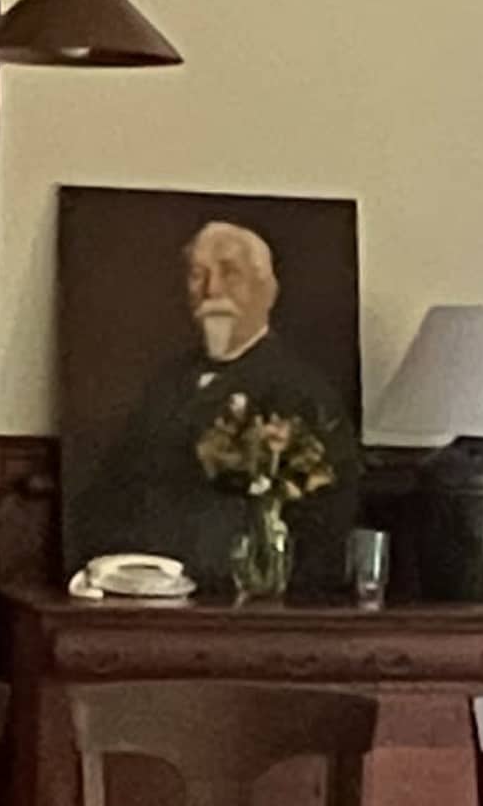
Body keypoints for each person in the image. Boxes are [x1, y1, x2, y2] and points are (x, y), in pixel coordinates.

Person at [65, 218, 362, 592]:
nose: (211, 290)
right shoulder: (165, 384)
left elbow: (325, 521)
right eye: (197, 275)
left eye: (230, 273)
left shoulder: (303, 391)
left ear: (266, 291)